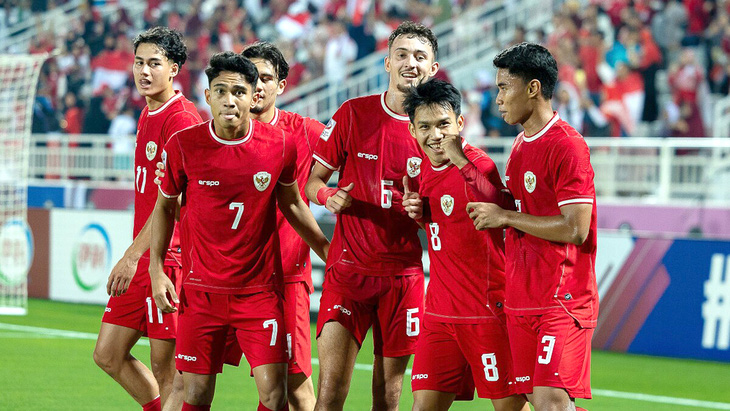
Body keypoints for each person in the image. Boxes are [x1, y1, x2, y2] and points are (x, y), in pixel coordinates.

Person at [149, 51, 330, 411]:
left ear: (252, 96)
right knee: (194, 392)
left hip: (259, 292)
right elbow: (165, 206)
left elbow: (293, 204)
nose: (230, 100)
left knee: (276, 393)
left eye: (239, 91)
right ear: (208, 95)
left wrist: (331, 254)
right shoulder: (184, 146)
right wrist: (156, 268)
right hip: (201, 291)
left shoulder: (280, 144)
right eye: (221, 91)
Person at [304, 21, 439, 410]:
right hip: (348, 272)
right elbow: (311, 182)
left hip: (403, 277)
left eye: (419, 56)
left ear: (433, 68)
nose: (410, 63)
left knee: (388, 397)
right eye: (402, 54)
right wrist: (328, 195)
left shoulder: (436, 133)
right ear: (387, 63)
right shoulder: (353, 114)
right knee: (330, 393)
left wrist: (423, 213)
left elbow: (444, 212)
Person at [466, 42, 598, 411]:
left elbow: (576, 228)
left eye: (504, 87)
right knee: (532, 400)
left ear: (533, 88)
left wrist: (506, 217)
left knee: (550, 400)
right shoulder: (521, 145)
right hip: (522, 297)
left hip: (563, 297)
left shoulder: (568, 145)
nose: (498, 99)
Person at [401, 79, 529, 411]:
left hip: (486, 310)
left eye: (443, 124)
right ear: (413, 130)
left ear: (459, 123)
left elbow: (498, 208)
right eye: (424, 127)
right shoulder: (422, 172)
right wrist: (419, 214)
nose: (435, 135)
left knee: (509, 408)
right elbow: (448, 229)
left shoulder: (478, 164)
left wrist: (461, 162)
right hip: (439, 314)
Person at [93, 26, 201, 411]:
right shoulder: (147, 112)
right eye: (139, 62)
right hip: (145, 253)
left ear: (173, 69)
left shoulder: (183, 120)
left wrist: (132, 256)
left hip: (168, 260)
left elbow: (169, 202)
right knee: (107, 354)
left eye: (154, 63)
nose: (143, 70)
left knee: (167, 369)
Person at [242, 41, 326, 411]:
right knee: (188, 381)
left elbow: (356, 152)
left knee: (293, 388)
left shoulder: (305, 132)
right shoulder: (218, 134)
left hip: (283, 280)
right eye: (250, 77)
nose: (257, 85)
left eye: (265, 78)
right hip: (224, 277)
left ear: (281, 85)